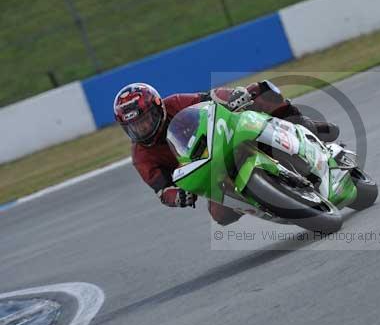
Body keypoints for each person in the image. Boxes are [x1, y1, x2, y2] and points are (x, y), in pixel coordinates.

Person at [113, 81, 339, 225]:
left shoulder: (176, 103)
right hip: (208, 172)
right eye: (135, 127)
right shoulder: (142, 156)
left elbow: (210, 98)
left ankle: (299, 122)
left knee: (260, 90)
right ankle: (266, 202)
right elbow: (162, 190)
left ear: (158, 107)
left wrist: (233, 97)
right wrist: (178, 196)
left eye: (145, 121)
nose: (142, 129)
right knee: (220, 216)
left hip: (221, 139)